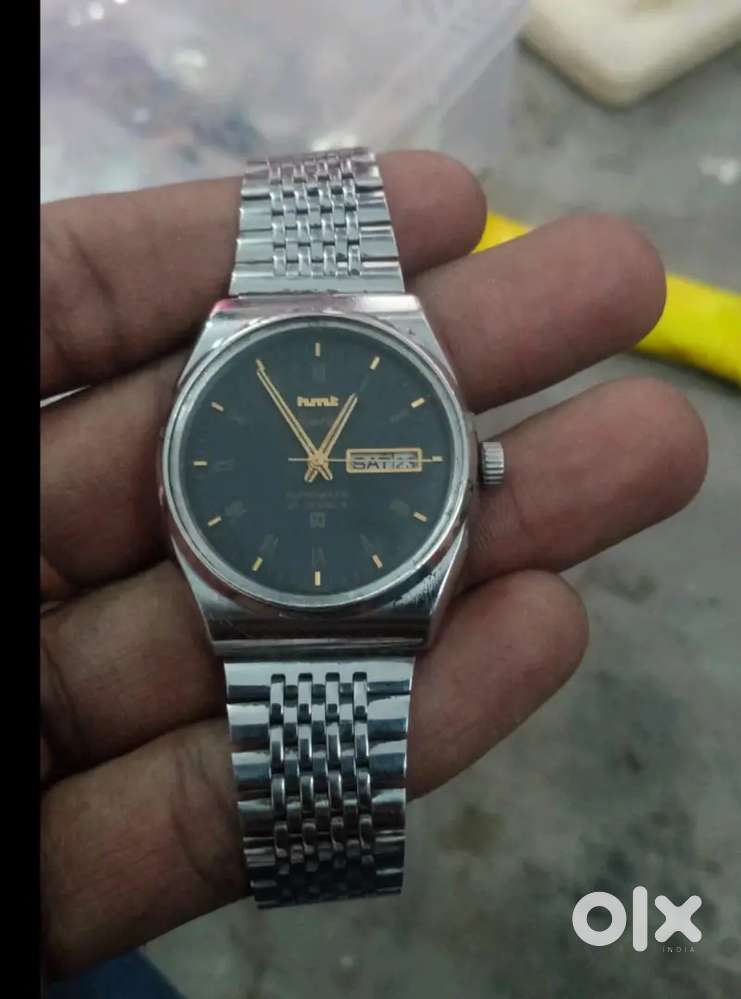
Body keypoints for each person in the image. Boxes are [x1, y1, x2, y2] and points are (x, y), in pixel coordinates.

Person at [40, 150, 707, 988]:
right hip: (249, 590)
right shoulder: (230, 400)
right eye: (311, 457)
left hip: (345, 585)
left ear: (475, 464)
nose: (318, 468)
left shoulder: (351, 399)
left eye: (323, 459)